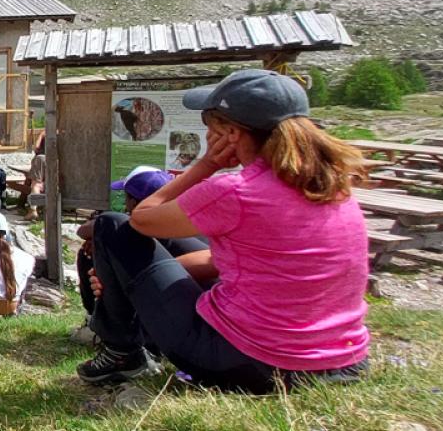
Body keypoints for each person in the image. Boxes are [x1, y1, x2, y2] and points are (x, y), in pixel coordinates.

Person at [79, 69, 370, 393]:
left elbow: (140, 219)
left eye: (210, 128)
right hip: (342, 362)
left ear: (230, 133)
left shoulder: (235, 191)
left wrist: (206, 165)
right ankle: (128, 344)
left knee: (111, 225)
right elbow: (240, 262)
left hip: (248, 364)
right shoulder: (333, 190)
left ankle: (122, 352)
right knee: (181, 238)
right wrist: (127, 280)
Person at [72, 166, 208, 344]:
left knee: (90, 256)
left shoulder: (144, 224)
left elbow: (84, 230)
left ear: (135, 203)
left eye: (126, 197)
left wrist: (101, 239)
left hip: (184, 318)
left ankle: (102, 327)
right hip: (201, 309)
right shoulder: (188, 222)